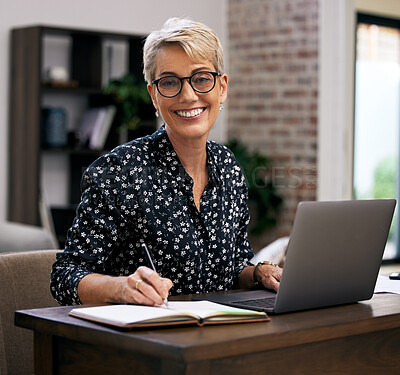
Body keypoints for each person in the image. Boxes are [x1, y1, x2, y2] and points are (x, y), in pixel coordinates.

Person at [50, 17, 282, 307]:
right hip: (142, 340)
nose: (188, 95)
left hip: (220, 333)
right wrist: (121, 288)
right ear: (154, 96)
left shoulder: (228, 166)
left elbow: (233, 267)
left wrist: (260, 273)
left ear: (221, 87)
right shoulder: (119, 172)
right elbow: (65, 276)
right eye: (170, 82)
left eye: (201, 79)